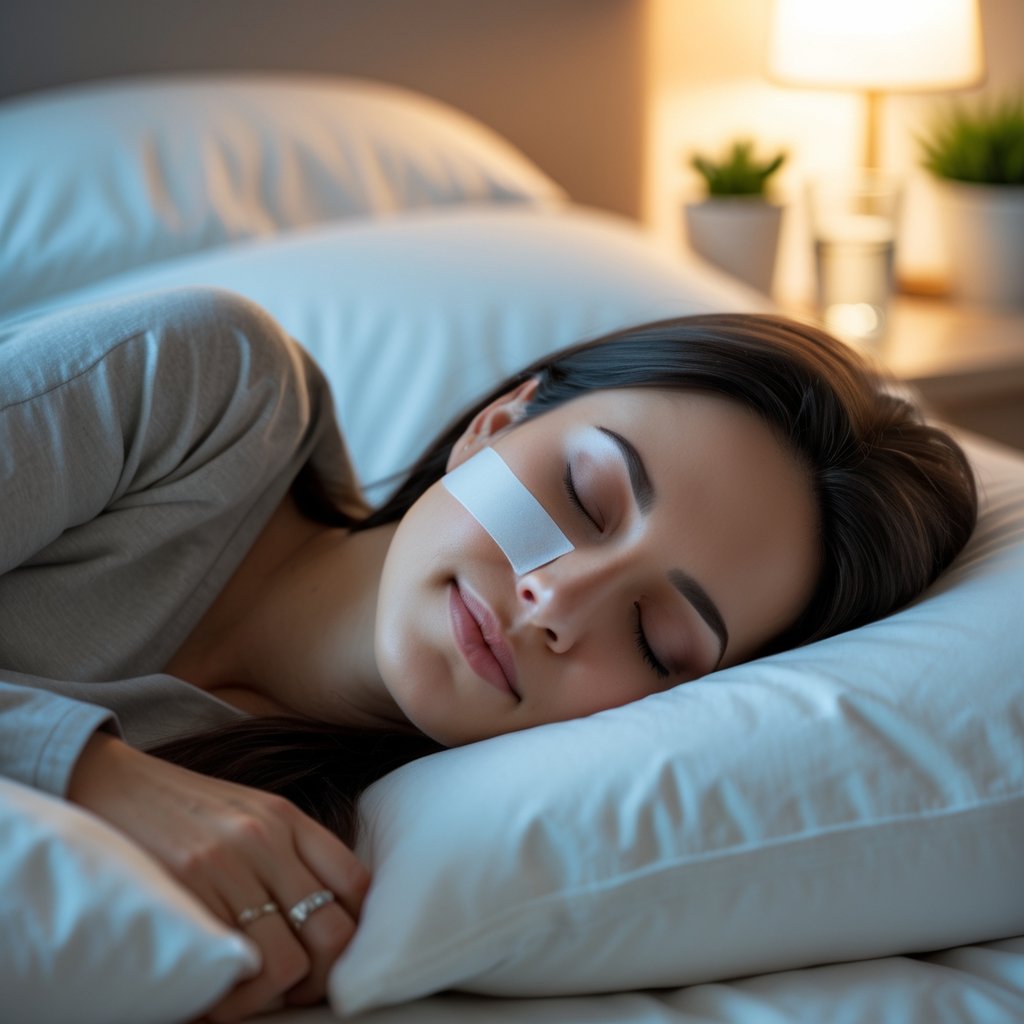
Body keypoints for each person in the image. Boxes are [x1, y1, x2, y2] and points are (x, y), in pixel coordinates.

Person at [0, 286, 976, 1021]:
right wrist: (90, 771)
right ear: (494, 423)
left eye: (655, 637)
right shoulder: (207, 389)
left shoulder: (339, 857)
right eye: (587, 497)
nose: (556, 599)